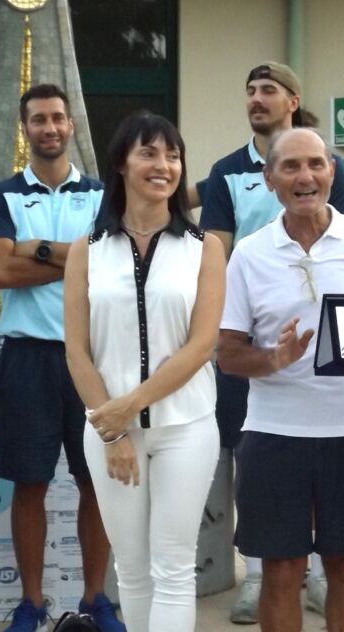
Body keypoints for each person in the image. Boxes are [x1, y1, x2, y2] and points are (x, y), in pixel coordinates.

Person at [218, 127, 344, 632]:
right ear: (269, 178)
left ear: (332, 172)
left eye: (316, 164)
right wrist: (275, 357)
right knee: (281, 572)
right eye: (291, 166)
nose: (305, 177)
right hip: (275, 433)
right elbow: (228, 355)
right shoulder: (249, 253)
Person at [200, 61, 344, 623]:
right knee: (255, 468)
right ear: (271, 177)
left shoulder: (332, 170)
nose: (256, 98)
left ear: (293, 100)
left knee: (334, 512)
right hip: (254, 345)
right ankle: (260, 575)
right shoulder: (225, 172)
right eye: (250, 91)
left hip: (334, 377)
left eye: (268, 90)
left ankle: (315, 574)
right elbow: (215, 252)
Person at [64, 111, 225, 632]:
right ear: (121, 164)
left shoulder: (205, 248)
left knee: (173, 569)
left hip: (186, 427)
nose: (164, 165)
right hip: (108, 432)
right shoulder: (85, 251)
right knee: (131, 571)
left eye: (173, 156)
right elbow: (77, 351)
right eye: (149, 153)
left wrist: (127, 408)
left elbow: (201, 346)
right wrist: (112, 431)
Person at [0, 84, 121, 632]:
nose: (50, 127)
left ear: (71, 125)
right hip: (28, 359)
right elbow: (0, 271)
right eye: (38, 119)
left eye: (58, 117)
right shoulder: (3, 196)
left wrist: (34, 248)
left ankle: (95, 598)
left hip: (93, 356)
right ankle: (32, 603)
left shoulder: (102, 195)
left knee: (95, 483)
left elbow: (111, 267)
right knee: (29, 484)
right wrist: (79, 258)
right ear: (26, 129)